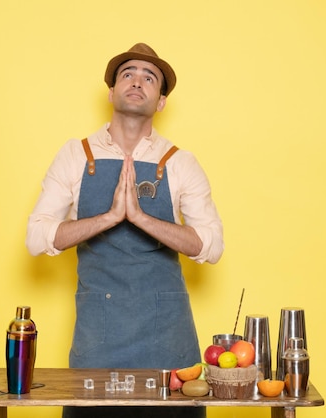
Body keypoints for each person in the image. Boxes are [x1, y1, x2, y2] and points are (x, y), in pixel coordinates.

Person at [26, 43, 224, 418]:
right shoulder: (75, 154)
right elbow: (36, 237)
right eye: (128, 74)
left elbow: (211, 247)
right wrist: (110, 217)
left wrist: (142, 219)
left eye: (150, 77)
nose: (137, 81)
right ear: (111, 92)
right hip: (99, 340)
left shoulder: (180, 162)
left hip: (168, 339)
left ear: (161, 100)